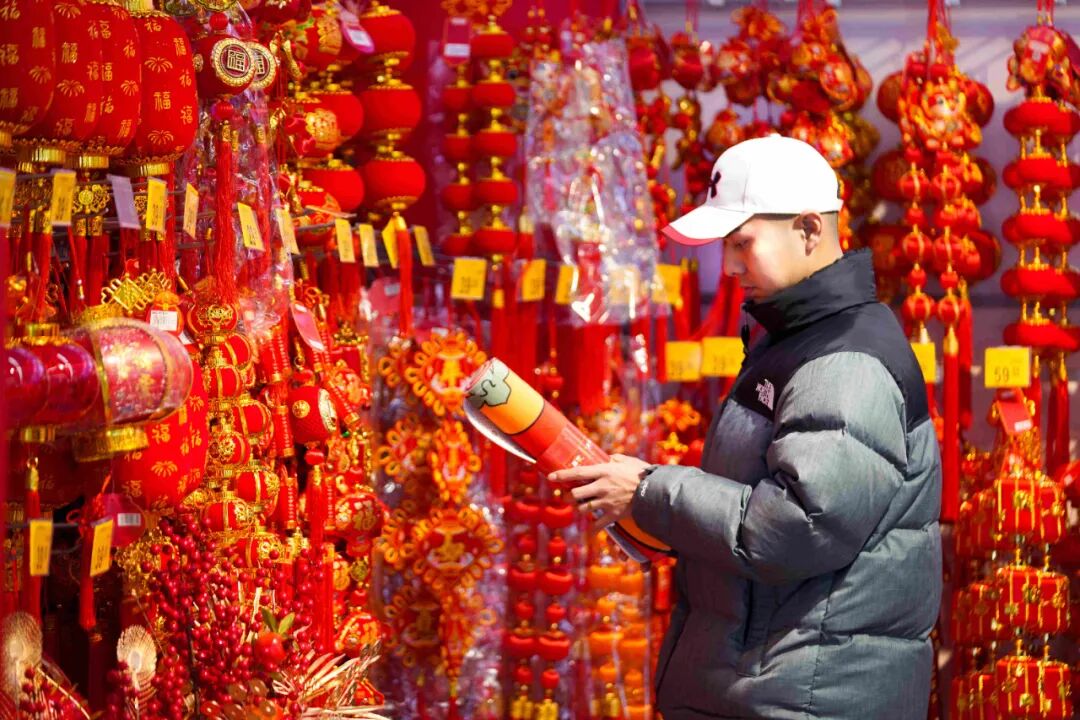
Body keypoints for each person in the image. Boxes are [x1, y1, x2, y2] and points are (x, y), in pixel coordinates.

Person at [552, 135, 942, 720]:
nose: (730, 267)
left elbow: (799, 524)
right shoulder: (798, 341)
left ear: (809, 230)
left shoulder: (845, 360)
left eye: (742, 243)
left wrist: (650, 492)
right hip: (776, 685)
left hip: (803, 697)